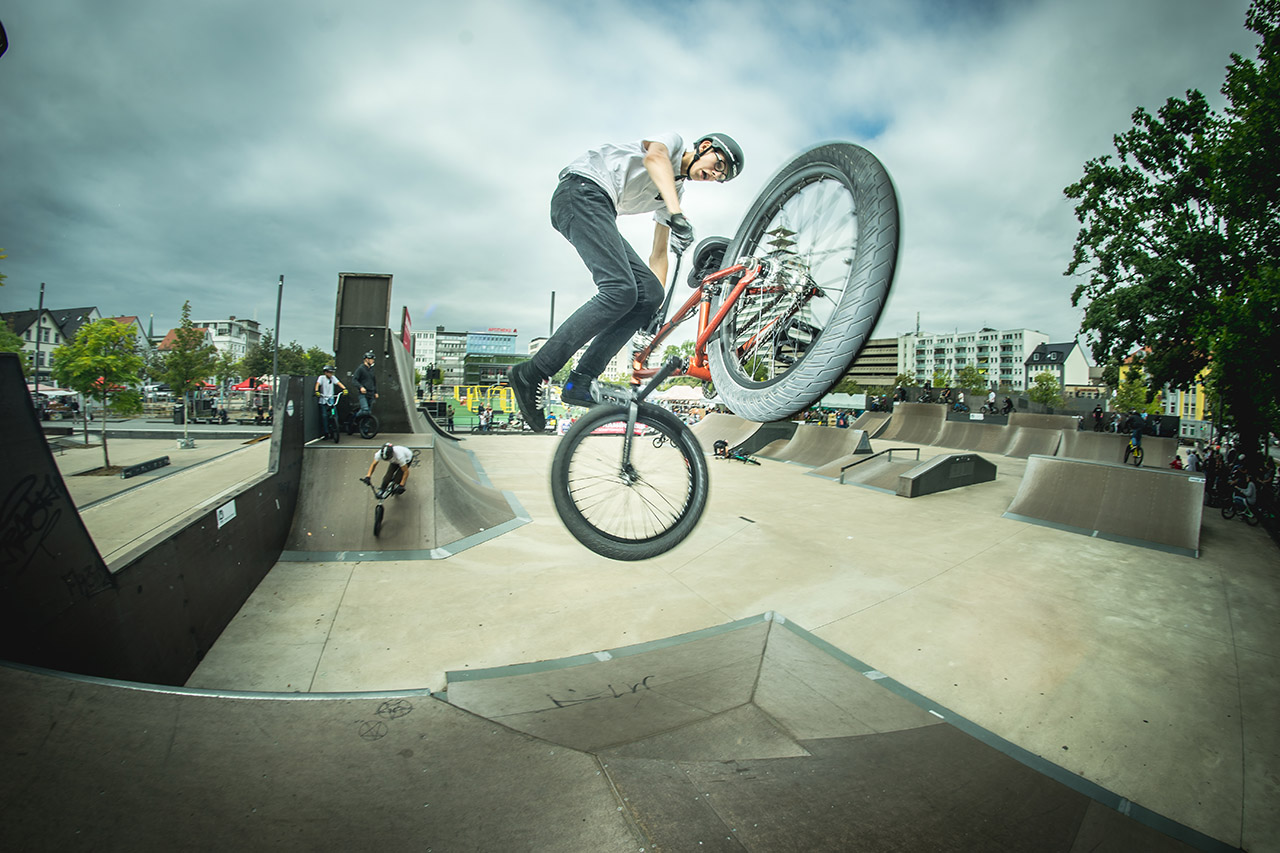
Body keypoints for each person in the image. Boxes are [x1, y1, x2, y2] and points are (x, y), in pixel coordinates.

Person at [506, 132, 744, 432]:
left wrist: (654, 310)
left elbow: (659, 254)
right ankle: (533, 372)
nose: (715, 175)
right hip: (580, 191)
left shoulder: (673, 192)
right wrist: (677, 214)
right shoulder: (671, 145)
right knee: (619, 290)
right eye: (718, 165)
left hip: (598, 207)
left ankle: (581, 380)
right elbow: (654, 157)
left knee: (648, 293)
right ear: (705, 147)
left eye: (721, 177)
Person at [353, 351, 379, 417]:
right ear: (367, 359)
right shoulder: (360, 369)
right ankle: (354, 417)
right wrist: (361, 387)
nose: (373, 361)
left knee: (368, 413)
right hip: (363, 394)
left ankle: (364, 423)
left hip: (371, 393)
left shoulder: (371, 369)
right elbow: (354, 380)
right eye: (371, 359)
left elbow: (374, 382)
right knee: (365, 410)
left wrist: (376, 392)